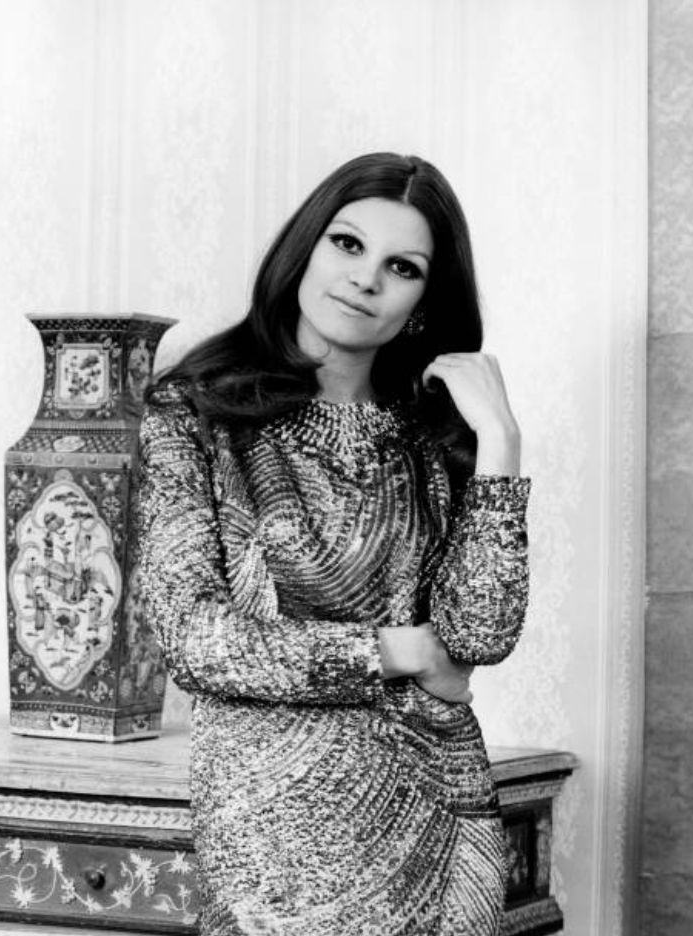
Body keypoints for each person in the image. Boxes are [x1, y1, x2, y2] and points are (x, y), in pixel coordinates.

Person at [136, 152, 530, 936]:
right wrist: (401, 651)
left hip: (440, 812)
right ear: (305, 248)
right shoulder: (196, 414)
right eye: (348, 244)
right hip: (271, 833)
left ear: (422, 304)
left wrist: (500, 441)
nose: (365, 279)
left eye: (402, 267)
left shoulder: (432, 434)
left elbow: (481, 635)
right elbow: (194, 639)